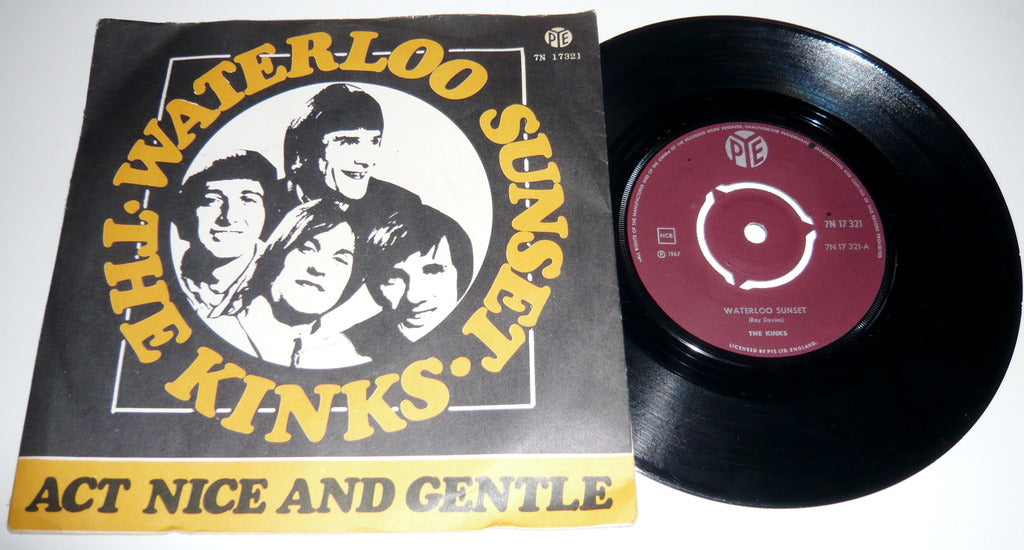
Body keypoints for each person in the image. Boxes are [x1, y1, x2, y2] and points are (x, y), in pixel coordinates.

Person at [220, 199, 372, 368]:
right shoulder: (221, 332)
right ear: (276, 253)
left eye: (340, 259)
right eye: (307, 248)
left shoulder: (344, 358)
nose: (318, 268)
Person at [349, 202, 473, 362]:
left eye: (432, 270)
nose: (414, 297)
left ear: (461, 271)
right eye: (392, 276)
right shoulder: (351, 352)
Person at [174, 150, 287, 317]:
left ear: (266, 210)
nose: (229, 217)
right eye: (212, 200)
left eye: (248, 199)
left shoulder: (284, 279)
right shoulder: (167, 275)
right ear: (189, 210)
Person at [283, 83, 420, 216]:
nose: (365, 160)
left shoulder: (401, 207)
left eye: (374, 141)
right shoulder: (271, 200)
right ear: (307, 150)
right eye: (348, 142)